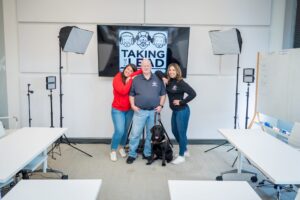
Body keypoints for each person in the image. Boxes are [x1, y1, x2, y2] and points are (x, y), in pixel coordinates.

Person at [126, 59, 166, 164]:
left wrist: (161, 105)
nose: (146, 67)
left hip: (153, 112)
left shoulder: (158, 79)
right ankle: (132, 154)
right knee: (135, 134)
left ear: (151, 66)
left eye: (148, 65)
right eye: (144, 65)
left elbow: (163, 94)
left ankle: (147, 153)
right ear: (141, 67)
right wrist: (132, 105)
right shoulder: (136, 79)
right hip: (139, 112)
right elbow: (131, 94)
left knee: (151, 135)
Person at [156, 63, 196, 164]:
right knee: (174, 131)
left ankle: (181, 156)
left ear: (177, 71)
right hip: (175, 111)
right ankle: (185, 150)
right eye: (170, 70)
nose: (171, 72)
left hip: (182, 111)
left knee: (181, 133)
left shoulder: (180, 82)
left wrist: (181, 102)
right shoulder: (168, 80)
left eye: (173, 70)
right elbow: (157, 72)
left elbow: (193, 93)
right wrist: (163, 78)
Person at [110, 64, 142, 161]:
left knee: (125, 130)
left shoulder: (131, 77)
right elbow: (123, 91)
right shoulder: (118, 77)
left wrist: (132, 76)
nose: (128, 71)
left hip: (129, 110)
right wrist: (131, 79)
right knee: (119, 131)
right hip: (117, 110)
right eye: (127, 69)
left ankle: (121, 147)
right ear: (124, 69)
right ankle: (113, 150)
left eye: (131, 71)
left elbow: (140, 71)